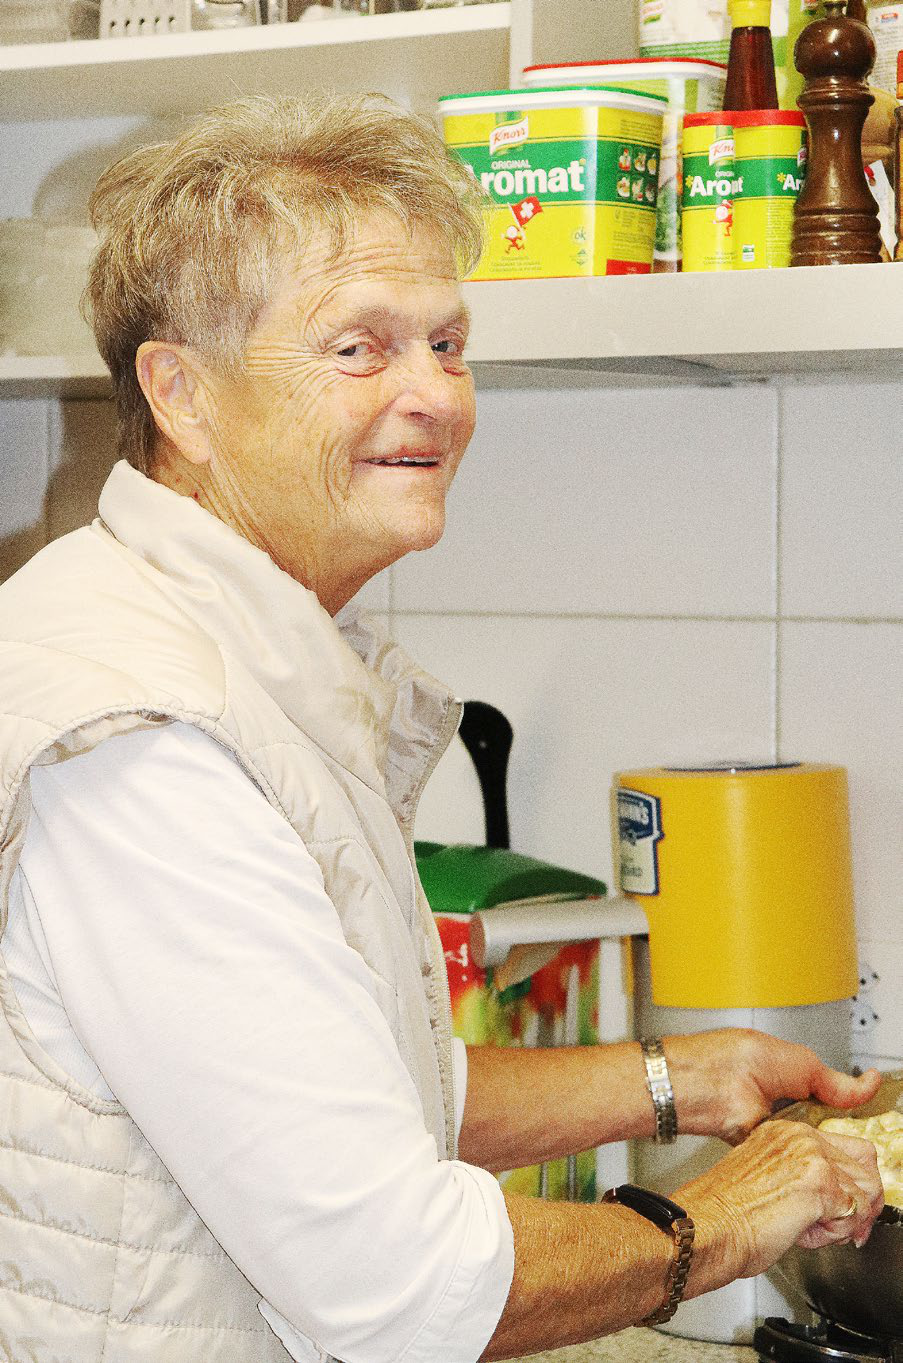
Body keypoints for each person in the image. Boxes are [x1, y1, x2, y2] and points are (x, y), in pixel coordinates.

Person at [0, 93, 885, 1363]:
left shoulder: (241, 661)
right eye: (358, 350)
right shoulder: (147, 733)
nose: (436, 397)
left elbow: (353, 1091)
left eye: (448, 343)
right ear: (182, 393)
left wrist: (673, 1078)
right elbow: (403, 1287)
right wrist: (725, 1221)